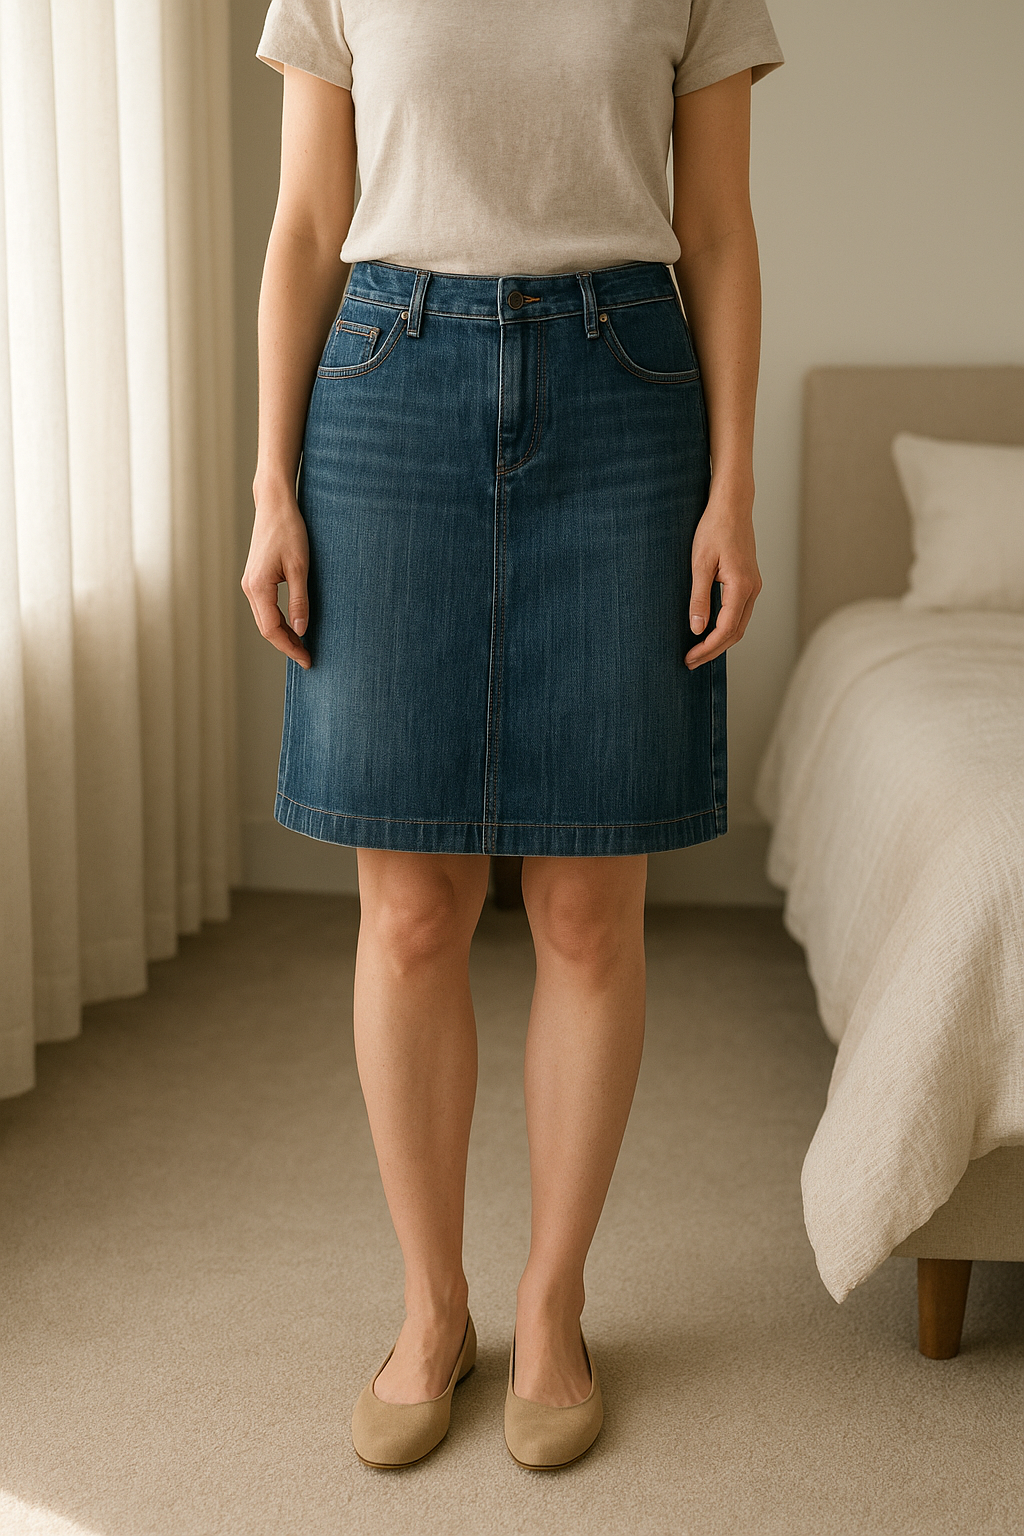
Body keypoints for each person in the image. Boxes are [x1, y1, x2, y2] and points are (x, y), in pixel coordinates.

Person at [243, 0, 783, 1471]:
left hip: (626, 397)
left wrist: (734, 488)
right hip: (387, 392)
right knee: (414, 909)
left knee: (589, 905)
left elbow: (720, 232)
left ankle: (553, 1306)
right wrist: (271, 485)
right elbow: (305, 222)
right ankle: (433, 1311)